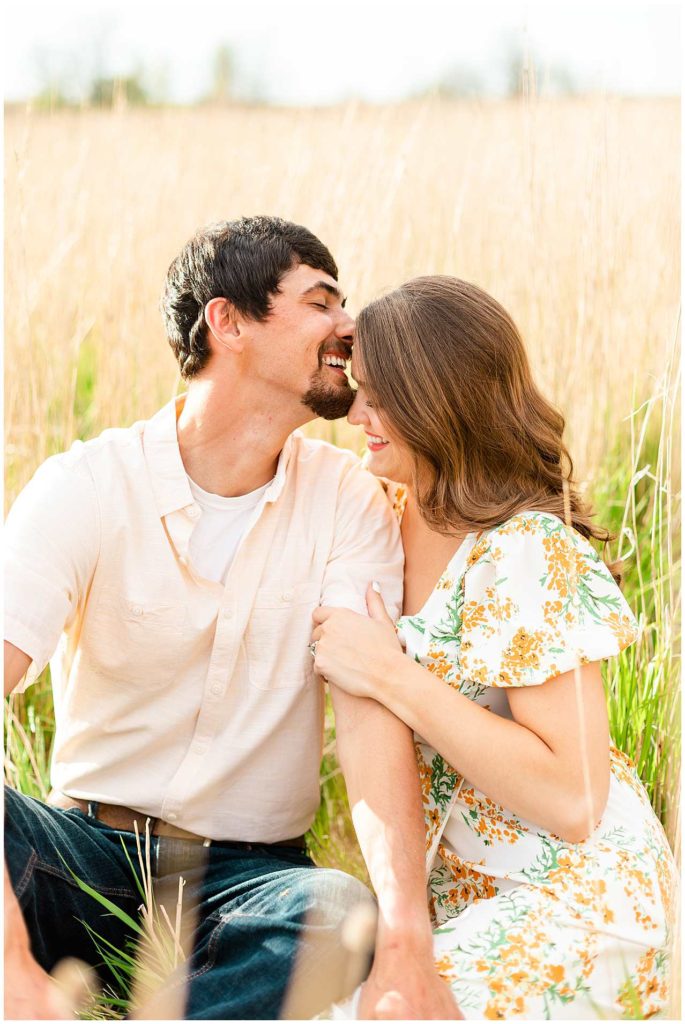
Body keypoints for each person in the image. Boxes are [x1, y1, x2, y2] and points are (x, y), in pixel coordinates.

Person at [4, 220, 460, 1021]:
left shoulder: (348, 501)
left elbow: (366, 715)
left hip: (247, 884)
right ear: (228, 321)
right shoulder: (86, 485)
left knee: (337, 915)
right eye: (320, 302)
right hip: (75, 858)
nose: (350, 327)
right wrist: (13, 963)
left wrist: (404, 936)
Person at [312, 275, 677, 1020]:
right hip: (466, 905)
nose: (354, 413)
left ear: (437, 401)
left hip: (582, 902)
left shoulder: (526, 549)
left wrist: (389, 675)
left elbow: (573, 798)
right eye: (358, 388)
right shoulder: (377, 513)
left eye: (378, 396)